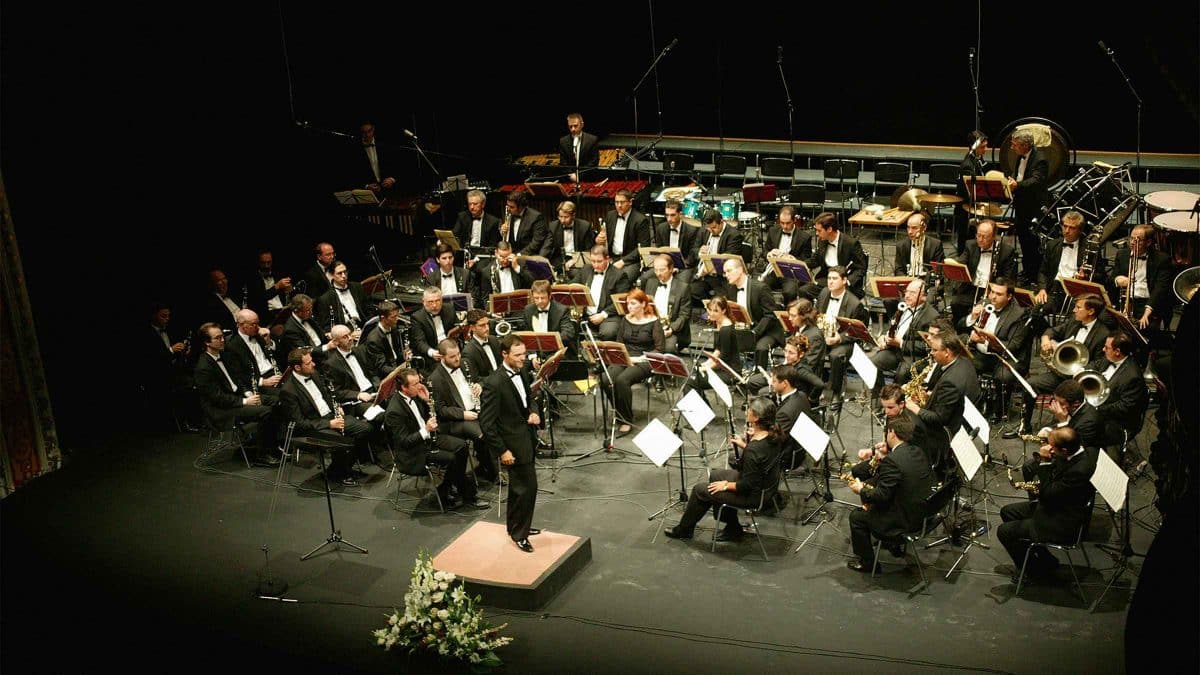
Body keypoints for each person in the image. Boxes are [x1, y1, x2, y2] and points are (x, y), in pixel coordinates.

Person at [664, 397, 783, 542]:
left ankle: (684, 530)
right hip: (767, 487)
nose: (747, 411)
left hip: (753, 496)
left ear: (756, 418)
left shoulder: (754, 449)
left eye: (749, 410)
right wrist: (745, 444)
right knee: (715, 475)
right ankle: (733, 527)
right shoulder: (773, 436)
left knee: (699, 490)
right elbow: (760, 460)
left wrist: (725, 485)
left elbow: (747, 485)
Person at [997, 427, 1096, 584]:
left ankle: (1031, 571)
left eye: (1052, 447)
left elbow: (1048, 494)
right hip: (1058, 506)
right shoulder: (1075, 452)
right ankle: (1045, 559)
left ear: (1063, 450)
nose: (1048, 448)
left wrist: (1044, 462)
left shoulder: (1079, 470)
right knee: (1007, 512)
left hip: (1062, 522)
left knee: (1004, 532)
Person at [384, 367, 488, 510]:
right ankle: (466, 495)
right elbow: (404, 442)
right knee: (452, 458)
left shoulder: (416, 396)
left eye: (419, 382)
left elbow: (432, 415)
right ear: (403, 387)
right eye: (415, 384)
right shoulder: (394, 411)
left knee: (462, 446)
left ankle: (446, 489)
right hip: (413, 452)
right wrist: (425, 430)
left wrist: (427, 401)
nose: (420, 386)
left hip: (429, 438)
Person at [1009, 294, 1109, 437]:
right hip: (1060, 375)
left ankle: (1062, 432)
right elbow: (1052, 331)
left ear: (1091, 311)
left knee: (1066, 397)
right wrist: (1045, 338)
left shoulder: (1103, 333)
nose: (1074, 310)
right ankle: (1024, 425)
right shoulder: (1074, 322)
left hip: (1078, 382)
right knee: (1029, 384)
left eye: (1078, 307)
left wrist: (1078, 369)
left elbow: (1100, 362)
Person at [845, 415, 935, 572]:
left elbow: (881, 496)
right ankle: (894, 546)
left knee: (856, 517)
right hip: (923, 514)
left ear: (892, 433)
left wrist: (861, 490)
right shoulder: (917, 451)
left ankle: (867, 563)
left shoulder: (892, 461)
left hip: (903, 523)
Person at [480, 335, 543, 552]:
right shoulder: (494, 383)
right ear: (504, 354)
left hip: (526, 436)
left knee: (519, 489)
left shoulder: (522, 371)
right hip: (512, 445)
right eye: (517, 355)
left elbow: (530, 397)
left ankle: (516, 526)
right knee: (527, 488)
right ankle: (520, 534)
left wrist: (534, 412)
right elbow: (487, 424)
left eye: (524, 354)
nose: (523, 359)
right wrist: (502, 450)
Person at [279, 348, 377, 484]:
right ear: (297, 367)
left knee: (366, 429)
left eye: (312, 360)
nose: (313, 364)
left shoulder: (314, 374)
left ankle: (341, 468)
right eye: (308, 363)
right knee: (340, 440)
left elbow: (328, 395)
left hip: (330, 415)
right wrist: (329, 424)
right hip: (313, 426)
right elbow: (299, 423)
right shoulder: (288, 391)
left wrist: (337, 406)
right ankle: (338, 474)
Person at [192, 322, 278, 466]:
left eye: (222, 336)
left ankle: (271, 445)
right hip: (221, 410)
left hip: (236, 398)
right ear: (207, 342)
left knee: (276, 401)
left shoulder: (224, 355)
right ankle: (262, 455)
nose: (223, 340)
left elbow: (238, 379)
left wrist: (248, 393)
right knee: (266, 412)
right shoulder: (203, 368)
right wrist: (245, 402)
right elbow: (217, 398)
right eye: (218, 338)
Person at [960, 277, 1032, 421]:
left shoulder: (1019, 314)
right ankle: (970, 404)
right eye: (992, 292)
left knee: (1002, 376)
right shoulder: (985, 303)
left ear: (1009, 296)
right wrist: (972, 316)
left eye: (998, 294)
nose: (992, 296)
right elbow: (961, 325)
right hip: (982, 353)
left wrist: (985, 341)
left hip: (1007, 357)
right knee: (962, 364)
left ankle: (999, 411)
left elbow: (1013, 346)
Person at [906, 332, 981, 462]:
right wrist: (932, 395)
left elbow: (939, 419)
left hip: (946, 432)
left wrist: (914, 408)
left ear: (947, 352)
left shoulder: (950, 382)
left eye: (935, 350)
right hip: (961, 417)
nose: (931, 353)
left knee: (903, 416)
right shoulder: (964, 361)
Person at [600, 289, 664, 436]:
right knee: (605, 378)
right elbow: (619, 343)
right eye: (628, 303)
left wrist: (639, 358)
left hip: (645, 360)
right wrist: (624, 357)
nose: (629, 307)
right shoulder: (625, 319)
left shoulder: (654, 322)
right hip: (625, 357)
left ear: (643, 304)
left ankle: (626, 420)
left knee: (622, 380)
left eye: (633, 303)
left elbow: (659, 349)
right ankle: (619, 411)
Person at [870, 279, 936, 403]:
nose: (907, 295)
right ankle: (880, 400)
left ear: (923, 296)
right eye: (906, 292)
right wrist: (884, 337)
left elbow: (928, 347)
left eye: (912, 293)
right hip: (895, 350)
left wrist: (900, 343)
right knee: (873, 363)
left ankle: (896, 405)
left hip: (914, 356)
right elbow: (894, 326)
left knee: (902, 374)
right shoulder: (903, 306)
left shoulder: (931, 316)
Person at [814, 266, 869, 407]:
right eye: (829, 278)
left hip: (844, 342)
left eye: (834, 279)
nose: (830, 282)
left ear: (844, 280)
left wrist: (838, 338)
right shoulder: (824, 293)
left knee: (836, 356)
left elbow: (856, 334)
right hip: (824, 336)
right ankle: (814, 388)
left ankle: (835, 393)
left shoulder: (855, 304)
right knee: (811, 347)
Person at [947, 219, 1019, 325]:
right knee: (956, 302)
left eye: (985, 236)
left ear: (994, 237)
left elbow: (1008, 279)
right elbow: (961, 263)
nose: (980, 239)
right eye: (978, 235)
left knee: (984, 310)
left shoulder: (1006, 251)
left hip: (992, 291)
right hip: (972, 288)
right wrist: (953, 264)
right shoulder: (970, 245)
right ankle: (960, 330)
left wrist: (994, 292)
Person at [718, 257, 784, 368]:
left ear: (740, 270)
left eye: (728, 271)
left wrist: (754, 333)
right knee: (724, 337)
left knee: (761, 348)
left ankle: (758, 379)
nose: (726, 275)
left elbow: (770, 315)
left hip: (766, 331)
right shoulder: (731, 289)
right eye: (724, 272)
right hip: (745, 329)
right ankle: (732, 373)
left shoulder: (760, 288)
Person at [678, 296, 741, 407]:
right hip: (721, 366)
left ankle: (703, 414)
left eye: (715, 311)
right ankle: (704, 411)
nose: (711, 313)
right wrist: (705, 364)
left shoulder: (726, 330)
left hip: (729, 371)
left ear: (724, 311)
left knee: (690, 381)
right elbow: (718, 350)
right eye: (710, 309)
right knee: (691, 376)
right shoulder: (719, 323)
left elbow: (723, 359)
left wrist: (706, 368)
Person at [1087, 331, 1149, 446]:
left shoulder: (1133, 377)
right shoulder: (1110, 357)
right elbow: (1095, 364)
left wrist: (1097, 409)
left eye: (1106, 347)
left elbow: (1123, 408)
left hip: (1116, 421)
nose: (1103, 350)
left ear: (1117, 352)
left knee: (1084, 427)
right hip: (1099, 403)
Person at [1110, 223, 1174, 332]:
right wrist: (1118, 280)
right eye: (1131, 238)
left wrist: (1147, 312)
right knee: (1106, 322)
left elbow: (1160, 289)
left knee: (1145, 328)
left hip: (1147, 302)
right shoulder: (1122, 254)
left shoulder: (1162, 259)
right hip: (1126, 300)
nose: (1132, 242)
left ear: (1148, 242)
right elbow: (1111, 279)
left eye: (1137, 240)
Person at [1010, 379, 1105, 453]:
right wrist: (1049, 429)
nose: (1056, 406)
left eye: (1061, 403)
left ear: (1076, 404)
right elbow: (1059, 425)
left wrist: (1063, 421)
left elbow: (1073, 449)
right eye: (1056, 401)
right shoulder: (1069, 408)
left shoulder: (1090, 421)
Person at [1004, 129, 1049, 282]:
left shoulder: (1040, 159)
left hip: (1033, 207)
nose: (1012, 148)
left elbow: (1036, 180)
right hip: (1021, 205)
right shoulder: (1020, 157)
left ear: (1025, 145)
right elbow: (1020, 174)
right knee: (1023, 239)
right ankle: (1027, 270)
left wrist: (1018, 185)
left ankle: (1035, 274)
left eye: (1015, 145)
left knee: (1032, 241)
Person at [1036, 211, 1099, 311]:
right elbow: (1043, 272)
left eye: (1072, 228)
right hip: (1054, 290)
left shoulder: (1090, 248)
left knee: (1075, 316)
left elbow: (1101, 276)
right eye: (1065, 226)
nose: (1066, 231)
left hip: (1077, 293)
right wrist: (1042, 289)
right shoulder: (1052, 245)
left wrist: (1086, 276)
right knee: (1036, 312)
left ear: (1080, 230)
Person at [800, 212, 869, 299]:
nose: (816, 234)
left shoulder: (851, 243)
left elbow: (861, 268)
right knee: (804, 291)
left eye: (819, 230)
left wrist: (847, 281)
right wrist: (797, 264)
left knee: (828, 293)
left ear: (829, 229)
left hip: (844, 281)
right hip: (826, 279)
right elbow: (815, 260)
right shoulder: (822, 241)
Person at [225, 309, 284, 404]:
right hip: (258, 381)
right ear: (241, 325)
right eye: (253, 324)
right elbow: (237, 374)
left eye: (258, 323)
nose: (257, 327)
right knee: (287, 394)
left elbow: (280, 355)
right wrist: (262, 381)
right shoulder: (232, 345)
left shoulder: (260, 334)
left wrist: (268, 341)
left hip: (276, 373)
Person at [575, 244, 632, 341]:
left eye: (599, 261)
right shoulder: (585, 269)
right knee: (566, 327)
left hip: (608, 316)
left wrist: (603, 314)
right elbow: (572, 286)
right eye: (593, 261)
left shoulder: (619, 275)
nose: (596, 265)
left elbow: (621, 301)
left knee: (608, 332)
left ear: (607, 259)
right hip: (586, 315)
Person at [321, 325, 382, 416]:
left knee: (396, 405)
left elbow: (373, 372)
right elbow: (336, 392)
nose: (350, 338)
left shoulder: (360, 350)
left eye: (350, 334)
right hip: (357, 401)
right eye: (345, 337)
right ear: (336, 342)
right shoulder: (331, 364)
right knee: (380, 416)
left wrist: (379, 387)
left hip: (374, 391)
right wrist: (358, 395)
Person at [690, 209, 746, 302]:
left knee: (726, 300)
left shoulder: (734, 235)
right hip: (705, 276)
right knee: (690, 292)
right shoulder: (704, 231)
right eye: (708, 228)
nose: (711, 231)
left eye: (714, 227)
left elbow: (730, 259)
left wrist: (710, 267)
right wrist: (700, 252)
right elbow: (694, 250)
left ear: (721, 222)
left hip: (723, 277)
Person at [892, 212, 944, 307]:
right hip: (907, 282)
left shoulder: (935, 245)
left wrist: (922, 284)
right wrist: (907, 282)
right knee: (889, 300)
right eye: (908, 227)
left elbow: (938, 272)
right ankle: (897, 321)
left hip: (927, 283)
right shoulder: (901, 246)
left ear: (924, 228)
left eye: (914, 228)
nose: (910, 232)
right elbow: (898, 269)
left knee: (928, 301)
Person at [600, 188, 651, 285]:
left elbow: (643, 246)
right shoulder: (610, 216)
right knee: (597, 276)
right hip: (612, 258)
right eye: (616, 202)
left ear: (630, 202)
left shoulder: (640, 220)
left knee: (622, 280)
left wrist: (623, 261)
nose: (619, 205)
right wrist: (599, 239)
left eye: (622, 202)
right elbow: (606, 239)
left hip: (631, 262)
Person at [642, 254, 690, 353]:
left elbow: (684, 315)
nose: (658, 273)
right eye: (656, 270)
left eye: (662, 270)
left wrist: (671, 329)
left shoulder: (683, 287)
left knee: (668, 348)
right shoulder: (650, 283)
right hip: (651, 327)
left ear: (671, 269)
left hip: (672, 330)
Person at [771, 364, 814, 470]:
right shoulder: (802, 395)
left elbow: (773, 441)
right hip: (800, 449)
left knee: (739, 456)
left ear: (785, 383)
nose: (771, 384)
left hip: (788, 458)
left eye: (774, 381)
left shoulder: (784, 413)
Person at [276, 294, 337, 365]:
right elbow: (304, 351)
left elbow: (320, 333)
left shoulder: (309, 316)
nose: (311, 312)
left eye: (311, 308)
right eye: (308, 310)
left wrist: (327, 335)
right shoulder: (290, 330)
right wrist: (327, 347)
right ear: (297, 311)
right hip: (313, 360)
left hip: (325, 351)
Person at [955, 130, 989, 253]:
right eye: (982, 147)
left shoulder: (976, 160)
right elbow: (969, 191)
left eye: (986, 146)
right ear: (973, 147)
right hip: (965, 209)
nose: (985, 150)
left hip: (972, 207)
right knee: (965, 242)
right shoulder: (968, 166)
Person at [410, 287, 459, 371]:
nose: (434, 305)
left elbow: (456, 328)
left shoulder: (449, 308)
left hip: (452, 349)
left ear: (442, 300)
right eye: (430, 302)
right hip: (434, 354)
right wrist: (431, 352)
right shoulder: (417, 317)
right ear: (423, 302)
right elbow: (419, 342)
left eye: (437, 301)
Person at [315, 260, 370, 335]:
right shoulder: (325, 298)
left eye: (345, 272)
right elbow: (326, 327)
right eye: (339, 273)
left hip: (363, 324)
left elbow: (368, 309)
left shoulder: (357, 287)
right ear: (331, 275)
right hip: (344, 331)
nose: (344, 276)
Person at [521, 280, 577, 353]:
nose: (539, 301)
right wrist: (532, 356)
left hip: (556, 350)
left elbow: (568, 333)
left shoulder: (561, 310)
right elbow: (526, 335)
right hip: (535, 351)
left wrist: (549, 341)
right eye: (536, 298)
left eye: (543, 298)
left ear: (550, 296)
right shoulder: (528, 310)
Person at [541, 200, 595, 276]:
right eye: (560, 217)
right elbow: (547, 247)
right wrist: (540, 260)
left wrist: (574, 260)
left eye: (566, 217)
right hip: (560, 259)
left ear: (573, 215)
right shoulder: (553, 226)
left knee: (575, 273)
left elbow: (589, 249)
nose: (562, 220)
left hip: (578, 259)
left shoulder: (584, 226)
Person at [655, 200, 703, 284]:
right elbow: (659, 249)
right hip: (665, 266)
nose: (669, 219)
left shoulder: (692, 230)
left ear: (680, 214)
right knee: (645, 279)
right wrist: (667, 268)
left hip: (685, 267)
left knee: (680, 283)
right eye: (667, 215)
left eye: (673, 215)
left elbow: (692, 255)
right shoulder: (661, 228)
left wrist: (680, 267)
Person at [361, 300, 410, 379]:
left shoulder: (394, 329)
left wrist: (404, 355)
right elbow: (381, 367)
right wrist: (401, 371)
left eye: (397, 315)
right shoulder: (374, 340)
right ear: (383, 318)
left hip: (396, 366)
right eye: (393, 317)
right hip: (384, 375)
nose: (397, 319)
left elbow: (396, 353)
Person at [245, 250, 292, 319]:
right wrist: (277, 286)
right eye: (263, 263)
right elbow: (258, 299)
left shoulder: (278, 273)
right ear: (258, 262)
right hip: (267, 315)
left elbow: (288, 293)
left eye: (269, 262)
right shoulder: (252, 279)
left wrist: (289, 290)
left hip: (283, 310)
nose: (266, 266)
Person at [354, 121, 397, 196]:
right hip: (369, 192)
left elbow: (396, 164)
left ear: (373, 129)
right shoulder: (355, 149)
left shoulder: (385, 144)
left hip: (389, 189)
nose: (367, 135)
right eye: (364, 132)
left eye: (369, 131)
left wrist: (392, 179)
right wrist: (366, 186)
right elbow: (354, 174)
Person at [501, 190, 547, 256]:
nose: (508, 209)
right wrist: (503, 232)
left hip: (528, 255)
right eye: (507, 205)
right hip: (511, 254)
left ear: (521, 207)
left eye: (512, 207)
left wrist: (519, 255)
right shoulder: (509, 214)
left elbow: (537, 242)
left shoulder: (536, 217)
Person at [558, 112, 599, 182]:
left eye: (575, 126)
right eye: (570, 126)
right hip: (570, 179)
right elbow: (563, 163)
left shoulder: (592, 140)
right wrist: (571, 175)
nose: (573, 129)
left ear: (582, 124)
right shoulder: (563, 141)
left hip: (588, 179)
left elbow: (593, 162)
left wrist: (579, 176)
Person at [462, 309, 504, 378]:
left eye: (487, 324)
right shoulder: (468, 352)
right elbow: (476, 378)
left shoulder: (494, 340)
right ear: (472, 328)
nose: (487, 328)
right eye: (482, 325)